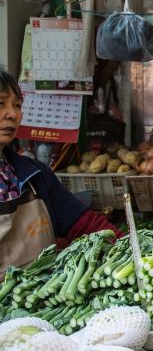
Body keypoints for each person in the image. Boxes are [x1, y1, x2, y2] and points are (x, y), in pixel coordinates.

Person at [1, 70, 119, 268]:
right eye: (1, 104)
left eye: (17, 105)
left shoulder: (35, 175)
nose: (12, 114)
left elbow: (84, 224)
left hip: (39, 296)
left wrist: (131, 247)